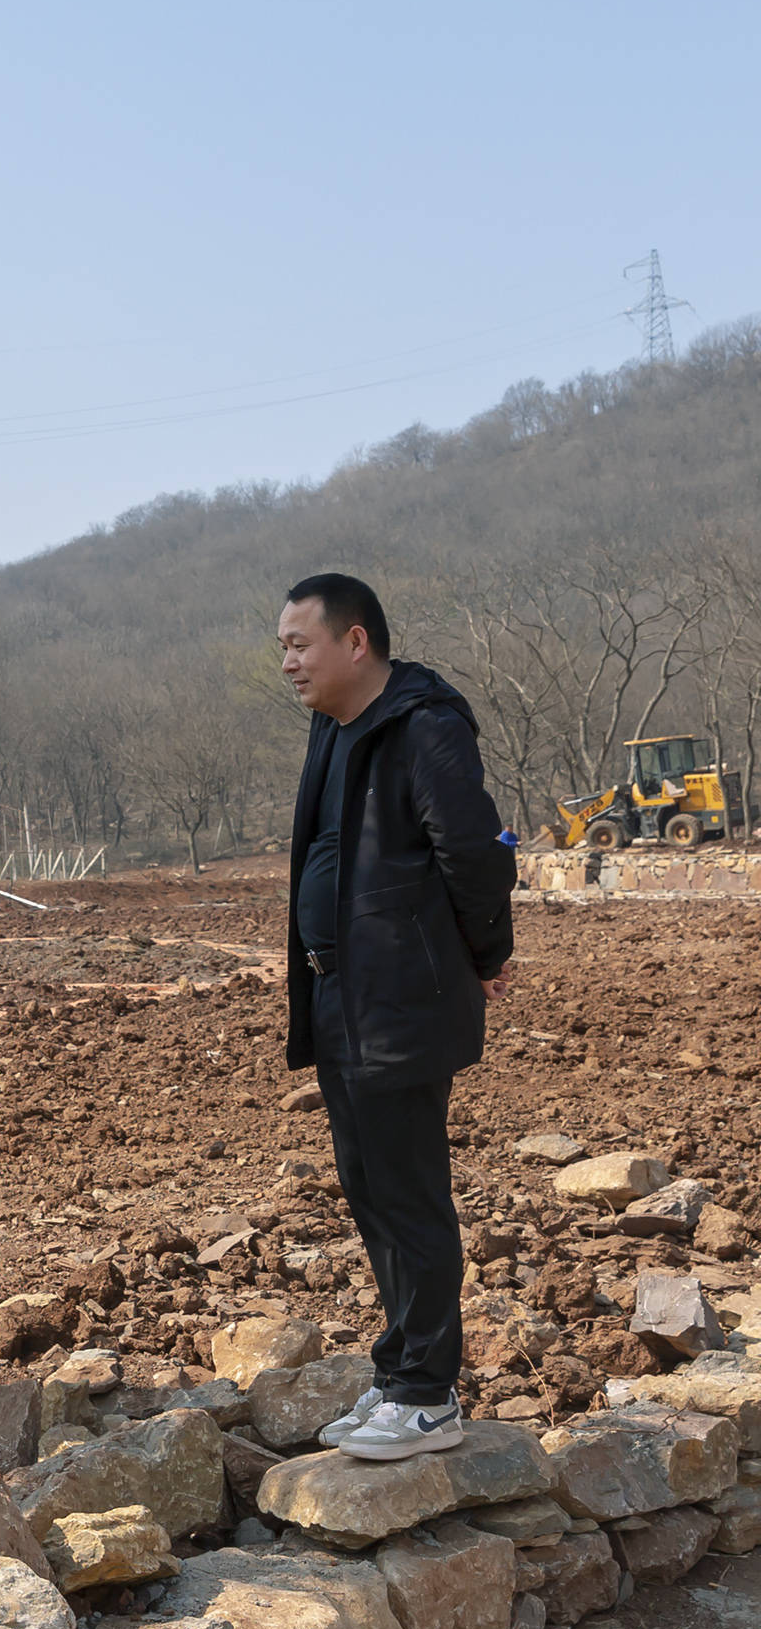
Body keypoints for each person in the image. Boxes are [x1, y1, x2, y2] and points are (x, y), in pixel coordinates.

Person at [275, 571, 516, 1462]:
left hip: (401, 1000)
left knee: (410, 1191)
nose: (290, 662)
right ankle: (399, 1369)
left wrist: (486, 953)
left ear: (357, 642)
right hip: (342, 994)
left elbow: (477, 852)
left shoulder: (425, 725)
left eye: (300, 644)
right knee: (370, 1186)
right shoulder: (335, 729)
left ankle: (428, 1394)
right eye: (283, 649)